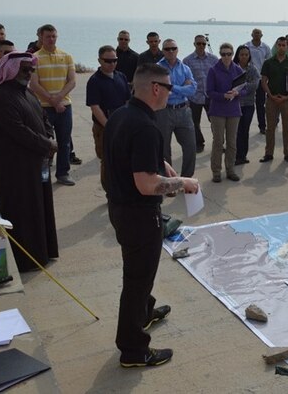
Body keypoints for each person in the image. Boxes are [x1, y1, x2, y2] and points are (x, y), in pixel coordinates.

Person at [104, 63, 199, 368]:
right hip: (139, 215)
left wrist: (161, 162)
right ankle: (133, 349)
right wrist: (183, 182)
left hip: (119, 208)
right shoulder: (145, 126)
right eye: (170, 87)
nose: (172, 93)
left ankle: (145, 312)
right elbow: (147, 185)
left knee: (139, 272)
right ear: (156, 89)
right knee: (137, 278)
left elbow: (130, 153)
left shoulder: (122, 115)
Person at [0, 51, 58, 271]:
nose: (28, 73)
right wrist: (46, 145)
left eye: (31, 69)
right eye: (24, 69)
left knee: (40, 208)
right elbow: (18, 131)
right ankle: (27, 261)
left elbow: (44, 120)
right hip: (14, 168)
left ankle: (44, 252)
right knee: (22, 212)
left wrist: (50, 137)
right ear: (11, 69)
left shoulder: (28, 94)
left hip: (35, 164)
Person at [29, 24, 78, 186]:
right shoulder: (34, 58)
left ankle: (63, 173)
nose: (51, 39)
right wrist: (52, 100)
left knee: (64, 142)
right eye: (48, 36)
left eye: (53, 36)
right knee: (43, 142)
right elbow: (34, 85)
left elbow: (72, 81)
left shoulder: (67, 56)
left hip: (64, 107)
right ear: (41, 37)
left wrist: (59, 98)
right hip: (43, 107)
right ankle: (42, 174)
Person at [86, 45, 131, 193]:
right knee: (107, 161)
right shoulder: (94, 81)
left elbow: (127, 101)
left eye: (114, 60)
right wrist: (109, 125)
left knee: (124, 158)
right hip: (104, 128)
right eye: (108, 61)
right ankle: (110, 191)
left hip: (123, 126)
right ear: (99, 60)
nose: (112, 64)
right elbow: (95, 107)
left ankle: (123, 186)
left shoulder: (121, 77)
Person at [156, 39, 197, 178]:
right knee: (164, 149)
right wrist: (182, 87)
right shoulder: (157, 68)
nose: (171, 51)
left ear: (177, 49)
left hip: (183, 111)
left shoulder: (185, 68)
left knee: (191, 146)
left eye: (173, 48)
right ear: (163, 51)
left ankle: (186, 179)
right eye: (167, 49)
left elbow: (192, 89)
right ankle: (169, 181)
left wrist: (172, 87)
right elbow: (159, 91)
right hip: (164, 111)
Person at [206, 43, 246, 182]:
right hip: (217, 111)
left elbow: (245, 89)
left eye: (229, 54)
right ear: (220, 54)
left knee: (232, 142)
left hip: (234, 111)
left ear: (233, 54)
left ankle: (230, 169)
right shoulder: (213, 70)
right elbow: (209, 92)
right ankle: (216, 171)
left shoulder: (238, 70)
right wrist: (223, 96)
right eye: (223, 54)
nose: (226, 56)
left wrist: (236, 93)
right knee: (218, 142)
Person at [260, 36, 288, 163]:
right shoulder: (268, 62)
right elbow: (264, 81)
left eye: (284, 45)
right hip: (271, 99)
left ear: (287, 47)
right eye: (280, 45)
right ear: (276, 46)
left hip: (287, 100)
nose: (282, 47)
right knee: (270, 128)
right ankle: (268, 153)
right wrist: (270, 95)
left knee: (287, 128)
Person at [183, 35, 218, 153]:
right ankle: (199, 142)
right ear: (194, 44)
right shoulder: (187, 60)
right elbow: (185, 80)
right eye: (199, 44)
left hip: (210, 96)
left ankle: (218, 143)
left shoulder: (213, 59)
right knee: (194, 122)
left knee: (215, 121)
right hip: (194, 96)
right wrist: (186, 98)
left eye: (203, 44)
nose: (201, 46)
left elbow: (218, 76)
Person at [232, 45, 260, 166]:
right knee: (236, 131)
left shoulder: (252, 69)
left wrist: (240, 88)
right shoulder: (232, 68)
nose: (244, 57)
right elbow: (230, 84)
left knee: (245, 130)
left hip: (248, 104)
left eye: (246, 55)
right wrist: (240, 88)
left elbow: (255, 85)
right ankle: (236, 155)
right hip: (234, 104)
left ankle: (243, 155)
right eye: (242, 54)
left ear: (249, 56)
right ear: (238, 55)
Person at [246, 28, 271, 134]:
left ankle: (262, 126)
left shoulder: (265, 47)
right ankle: (244, 125)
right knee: (247, 103)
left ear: (262, 35)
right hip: (248, 79)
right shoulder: (246, 46)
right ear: (251, 35)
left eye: (258, 33)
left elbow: (269, 62)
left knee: (261, 104)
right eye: (255, 33)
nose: (256, 35)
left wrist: (268, 77)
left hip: (261, 79)